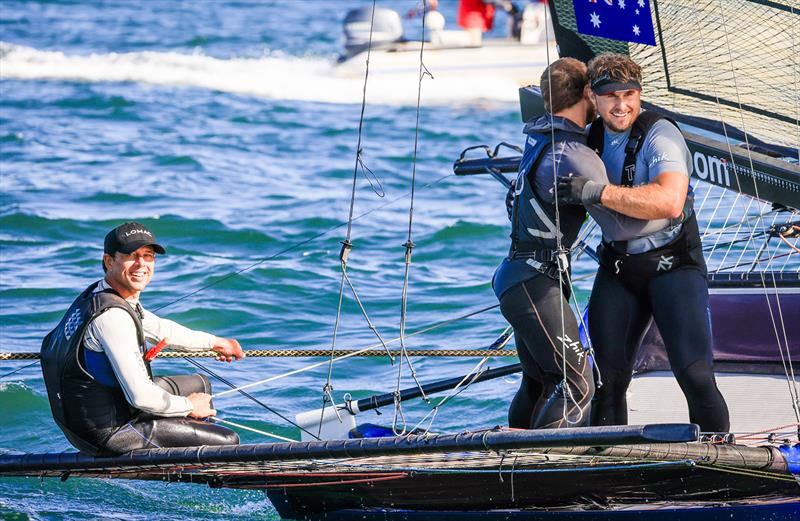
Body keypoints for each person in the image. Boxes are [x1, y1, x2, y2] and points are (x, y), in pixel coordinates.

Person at [557, 53, 730, 433]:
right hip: (619, 270)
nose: (621, 105)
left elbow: (668, 202)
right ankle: (607, 469)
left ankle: (720, 465)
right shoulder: (591, 135)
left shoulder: (660, 133)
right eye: (611, 96)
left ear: (639, 94)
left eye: (629, 94)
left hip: (674, 267)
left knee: (696, 376)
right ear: (592, 96)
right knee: (606, 382)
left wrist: (596, 192)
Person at [40, 222, 246, 455]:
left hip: (88, 415)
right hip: (108, 432)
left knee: (200, 385)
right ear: (109, 261)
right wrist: (189, 407)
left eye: (148, 256)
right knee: (228, 442)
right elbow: (140, 396)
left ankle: (180, 441)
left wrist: (216, 342)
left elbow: (158, 327)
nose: (141, 264)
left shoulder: (102, 294)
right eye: (131, 256)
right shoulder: (113, 317)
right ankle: (192, 461)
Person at [494, 57, 610, 429]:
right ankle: (542, 464)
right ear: (588, 94)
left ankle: (510, 460)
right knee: (576, 384)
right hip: (534, 282)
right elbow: (623, 215)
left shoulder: (541, 136)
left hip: (520, 275)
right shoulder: (574, 156)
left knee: (540, 380)